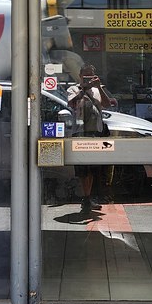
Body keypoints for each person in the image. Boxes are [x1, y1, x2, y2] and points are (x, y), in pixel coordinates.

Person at [67, 64, 116, 213]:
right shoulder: (74, 89)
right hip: (80, 132)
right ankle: (86, 198)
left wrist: (98, 87)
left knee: (93, 168)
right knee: (83, 169)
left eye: (91, 75)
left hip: (96, 131)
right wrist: (84, 88)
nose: (88, 78)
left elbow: (107, 105)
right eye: (86, 75)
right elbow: (72, 103)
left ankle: (88, 198)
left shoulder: (98, 88)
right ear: (80, 76)